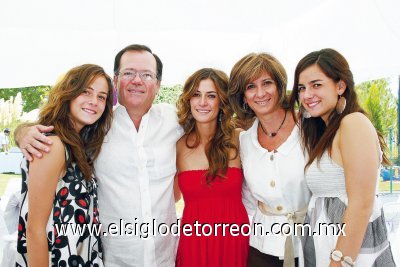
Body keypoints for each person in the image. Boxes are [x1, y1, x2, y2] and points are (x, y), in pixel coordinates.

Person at [14, 44, 183, 266]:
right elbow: (56, 130)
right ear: (116, 81)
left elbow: (215, 121)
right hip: (112, 259)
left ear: (158, 84)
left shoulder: (176, 120)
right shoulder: (96, 128)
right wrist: (22, 132)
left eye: (147, 75)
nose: (137, 80)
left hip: (164, 257)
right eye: (128, 73)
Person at [289, 48, 396, 267]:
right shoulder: (326, 131)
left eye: (316, 85)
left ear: (340, 86)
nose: (307, 95)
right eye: (302, 88)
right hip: (325, 243)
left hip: (348, 252)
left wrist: (339, 261)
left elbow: (361, 203)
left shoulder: (353, 123)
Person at [15, 64, 113, 266]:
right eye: (86, 92)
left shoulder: (78, 146)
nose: (94, 102)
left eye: (102, 97)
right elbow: (34, 229)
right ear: (69, 92)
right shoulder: (54, 145)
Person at [228, 52, 311, 267]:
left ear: (280, 86)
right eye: (250, 87)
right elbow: (247, 199)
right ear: (243, 96)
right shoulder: (244, 141)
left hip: (311, 242)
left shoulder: (309, 127)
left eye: (267, 83)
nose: (260, 93)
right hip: (261, 249)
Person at [175, 68, 249, 266]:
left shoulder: (240, 139)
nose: (202, 103)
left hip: (233, 239)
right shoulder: (178, 145)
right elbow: (170, 197)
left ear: (222, 101)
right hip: (194, 241)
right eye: (196, 95)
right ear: (188, 100)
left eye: (211, 96)